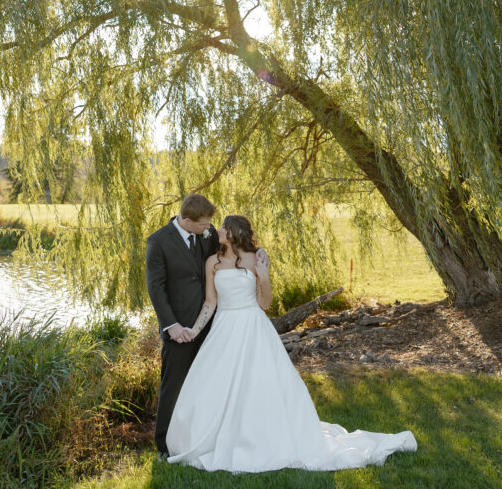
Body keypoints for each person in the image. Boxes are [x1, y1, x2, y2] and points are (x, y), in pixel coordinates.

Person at [166, 215, 417, 473]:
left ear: (235, 232)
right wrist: (194, 330)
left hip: (253, 327)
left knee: (259, 384)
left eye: (224, 227)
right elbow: (210, 302)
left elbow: (265, 304)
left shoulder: (256, 259)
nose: (218, 230)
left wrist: (263, 276)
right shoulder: (213, 263)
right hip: (223, 328)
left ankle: (260, 438)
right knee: (217, 384)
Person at [145, 193, 220, 458]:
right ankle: (164, 445)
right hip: (178, 330)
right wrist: (171, 325)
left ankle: (200, 436)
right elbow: (156, 288)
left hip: (209, 325)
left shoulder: (206, 236)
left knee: (207, 383)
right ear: (186, 220)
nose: (208, 228)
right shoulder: (158, 242)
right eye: (203, 224)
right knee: (173, 385)